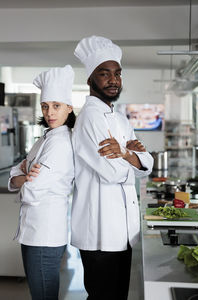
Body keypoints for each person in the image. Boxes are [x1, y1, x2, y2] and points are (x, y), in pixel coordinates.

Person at [71, 35, 154, 300]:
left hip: (122, 230)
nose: (113, 80)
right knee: (103, 296)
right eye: (104, 74)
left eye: (117, 74)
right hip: (99, 230)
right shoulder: (89, 118)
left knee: (117, 295)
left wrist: (126, 154)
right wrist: (130, 159)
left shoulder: (119, 117)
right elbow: (113, 173)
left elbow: (146, 164)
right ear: (90, 79)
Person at [8, 65, 75, 300]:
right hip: (32, 232)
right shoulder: (44, 139)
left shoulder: (60, 143)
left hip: (44, 235)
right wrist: (24, 178)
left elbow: (31, 191)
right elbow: (17, 174)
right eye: (45, 106)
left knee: (44, 295)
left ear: (69, 107)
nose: (50, 113)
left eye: (56, 106)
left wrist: (23, 181)